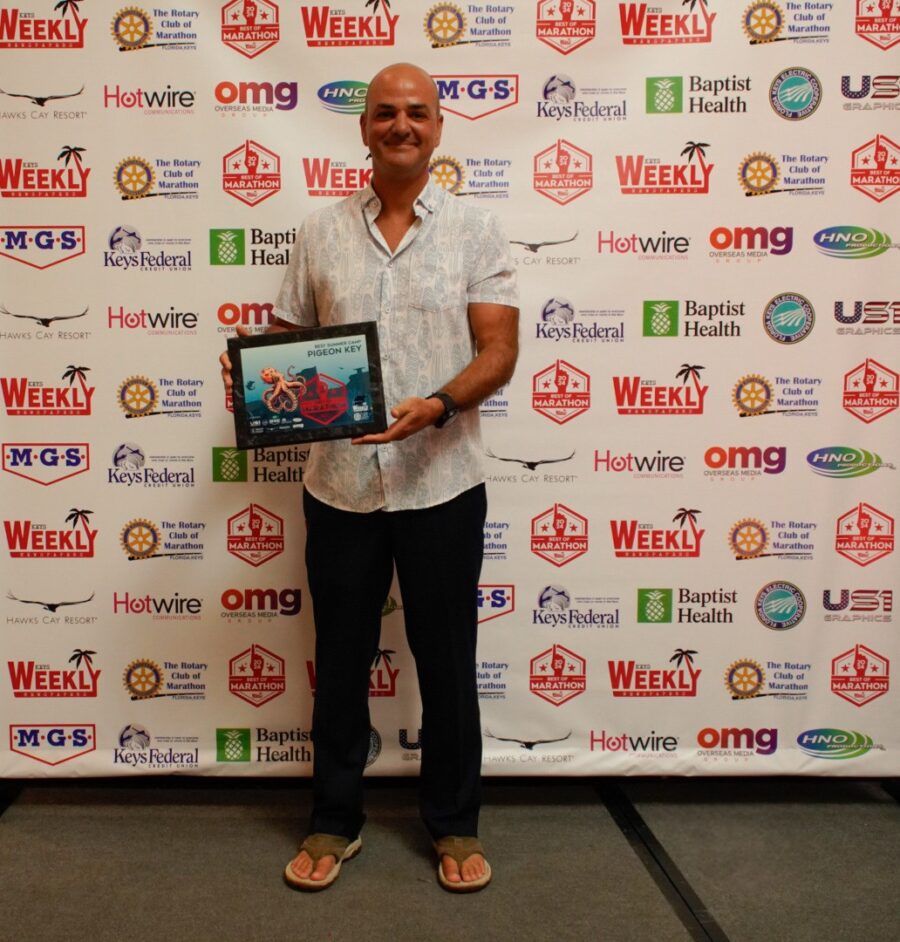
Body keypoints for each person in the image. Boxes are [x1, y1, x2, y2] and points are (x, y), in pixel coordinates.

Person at [219, 62, 519, 892]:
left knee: (448, 659)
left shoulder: (476, 229)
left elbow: (499, 350)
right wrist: (256, 382)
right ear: (362, 129)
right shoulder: (317, 232)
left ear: (438, 125)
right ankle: (333, 817)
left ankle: (454, 824)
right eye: (385, 112)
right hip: (341, 487)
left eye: (416, 112)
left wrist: (440, 405)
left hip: (442, 482)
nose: (401, 125)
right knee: (342, 657)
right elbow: (285, 340)